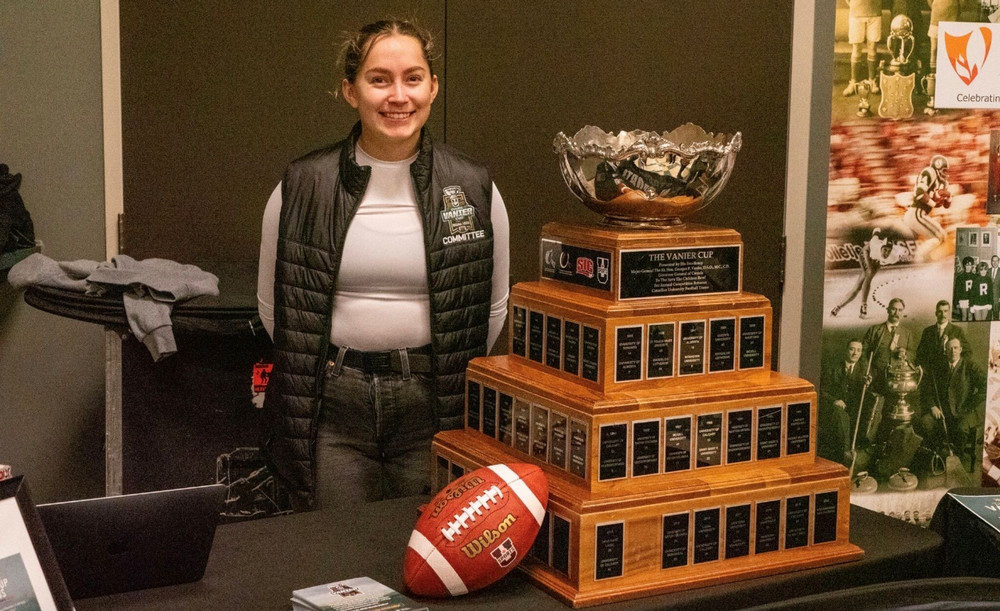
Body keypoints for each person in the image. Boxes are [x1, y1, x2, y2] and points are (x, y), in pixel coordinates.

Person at [256, 20, 510, 510]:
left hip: (434, 408)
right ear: (350, 91)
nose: (398, 96)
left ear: (433, 87)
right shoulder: (302, 185)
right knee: (340, 564)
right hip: (334, 411)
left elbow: (490, 310)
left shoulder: (475, 187)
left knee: (424, 557)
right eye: (379, 79)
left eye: (413, 78)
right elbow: (278, 310)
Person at [919, 337, 986, 466]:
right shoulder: (939, 368)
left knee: (961, 428)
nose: (953, 351)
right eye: (949, 349)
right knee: (926, 422)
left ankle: (957, 461)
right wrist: (933, 406)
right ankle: (939, 454)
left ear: (960, 350)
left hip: (965, 412)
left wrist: (970, 405)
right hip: (943, 412)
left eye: (955, 348)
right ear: (945, 351)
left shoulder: (970, 366)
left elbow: (986, 386)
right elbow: (927, 389)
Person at [831, 228, 906, 319]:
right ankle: (864, 305)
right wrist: (877, 230)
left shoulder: (893, 258)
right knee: (869, 272)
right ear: (881, 247)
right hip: (866, 253)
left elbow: (901, 250)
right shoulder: (875, 245)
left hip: (876, 260)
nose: (886, 253)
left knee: (858, 287)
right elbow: (875, 233)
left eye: (888, 251)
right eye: (885, 249)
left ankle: (838, 307)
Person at [819, 339, 870, 466]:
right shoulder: (833, 367)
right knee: (842, 416)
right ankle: (846, 452)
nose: (855, 354)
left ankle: (861, 451)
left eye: (859, 350)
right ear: (846, 350)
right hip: (832, 407)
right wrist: (834, 401)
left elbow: (863, 395)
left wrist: (867, 385)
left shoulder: (864, 370)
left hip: (852, 407)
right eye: (852, 349)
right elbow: (821, 390)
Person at [903, 154, 950, 259]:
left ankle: (923, 258)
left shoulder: (942, 182)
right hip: (916, 213)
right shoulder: (929, 172)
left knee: (940, 237)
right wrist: (935, 203)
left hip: (919, 214)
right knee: (940, 236)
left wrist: (948, 198)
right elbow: (920, 193)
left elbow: (945, 206)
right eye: (944, 170)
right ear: (937, 168)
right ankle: (918, 259)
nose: (946, 173)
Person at [915, 300, 969, 377]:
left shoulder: (957, 331)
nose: (943, 314)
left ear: (949, 313)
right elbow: (920, 353)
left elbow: (967, 353)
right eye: (940, 311)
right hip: (931, 375)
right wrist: (923, 369)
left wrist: (956, 368)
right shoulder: (927, 331)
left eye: (945, 311)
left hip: (950, 375)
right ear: (936, 313)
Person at [843, 0, 882, 96]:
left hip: (875, 13)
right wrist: (854, 5)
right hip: (856, 14)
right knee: (856, 48)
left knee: (872, 48)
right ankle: (853, 82)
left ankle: (872, 81)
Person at [954, 256, 975, 321]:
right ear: (964, 266)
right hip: (963, 299)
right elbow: (957, 290)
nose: (968, 267)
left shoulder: (975, 276)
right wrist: (956, 302)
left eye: (970, 265)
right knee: (964, 316)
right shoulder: (960, 277)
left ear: (972, 266)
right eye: (967, 265)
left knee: (970, 315)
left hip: (972, 299)